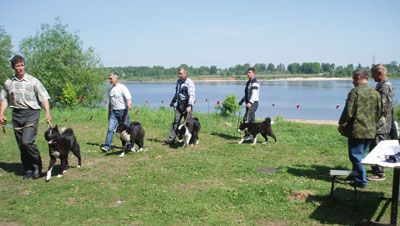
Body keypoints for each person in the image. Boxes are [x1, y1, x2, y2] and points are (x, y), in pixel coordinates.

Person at [0, 55, 52, 180]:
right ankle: (28, 169)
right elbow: (4, 99)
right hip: (17, 114)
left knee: (27, 141)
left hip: (31, 112)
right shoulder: (8, 83)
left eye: (22, 65)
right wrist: (1, 113)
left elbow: (43, 97)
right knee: (21, 145)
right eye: (18, 66)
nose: (21, 68)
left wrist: (47, 113)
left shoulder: (33, 81)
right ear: (13, 67)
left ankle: (37, 167)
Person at [338, 69, 381, 188]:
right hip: (370, 130)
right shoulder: (375, 93)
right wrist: (372, 123)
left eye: (353, 79)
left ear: (358, 78)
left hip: (357, 130)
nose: (352, 81)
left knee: (356, 156)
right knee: (361, 155)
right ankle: (355, 175)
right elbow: (380, 112)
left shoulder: (355, 92)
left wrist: (342, 124)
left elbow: (348, 111)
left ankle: (361, 181)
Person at [368, 64, 394, 181]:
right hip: (379, 123)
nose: (372, 76)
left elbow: (383, 107)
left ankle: (379, 173)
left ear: (379, 73)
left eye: (373, 74)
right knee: (374, 145)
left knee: (377, 147)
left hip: (381, 124)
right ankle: (376, 168)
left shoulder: (385, 87)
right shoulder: (381, 85)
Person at [100, 72, 132, 152]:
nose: (109, 80)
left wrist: (129, 105)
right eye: (109, 78)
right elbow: (110, 103)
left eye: (111, 78)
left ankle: (130, 145)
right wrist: (109, 113)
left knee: (126, 129)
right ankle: (107, 146)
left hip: (123, 111)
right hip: (113, 113)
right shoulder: (111, 90)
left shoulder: (122, 88)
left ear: (116, 78)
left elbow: (128, 98)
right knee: (110, 129)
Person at [164, 67, 195, 144]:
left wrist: (189, 106)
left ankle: (191, 140)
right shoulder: (178, 82)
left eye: (181, 74)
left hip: (187, 104)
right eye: (178, 73)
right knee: (176, 121)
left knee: (188, 123)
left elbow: (192, 95)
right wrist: (173, 101)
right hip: (179, 104)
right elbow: (177, 93)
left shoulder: (189, 82)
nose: (179, 75)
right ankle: (171, 140)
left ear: (185, 73)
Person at [238, 68, 260, 140]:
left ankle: (248, 136)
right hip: (249, 104)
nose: (248, 74)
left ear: (253, 74)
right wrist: (242, 100)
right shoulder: (248, 82)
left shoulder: (255, 83)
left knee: (246, 119)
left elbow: (254, 94)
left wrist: (250, 102)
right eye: (247, 73)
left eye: (249, 73)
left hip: (253, 104)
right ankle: (253, 135)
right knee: (252, 121)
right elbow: (247, 94)